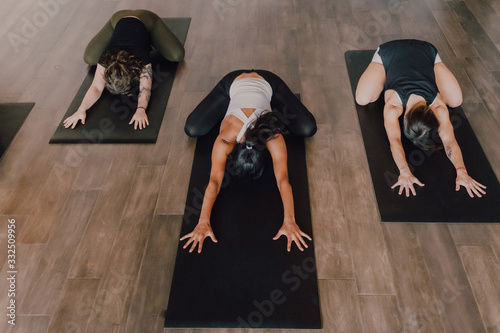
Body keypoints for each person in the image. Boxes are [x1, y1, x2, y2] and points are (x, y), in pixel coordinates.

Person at [181, 69, 317, 253]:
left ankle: (268, 98)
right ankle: (251, 100)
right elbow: (214, 181)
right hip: (231, 83)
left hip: (269, 82)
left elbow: (283, 180)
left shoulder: (273, 136)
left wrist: (290, 221)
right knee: (192, 128)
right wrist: (202, 221)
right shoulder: (225, 139)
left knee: (308, 128)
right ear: (234, 151)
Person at [355, 39, 486, 198]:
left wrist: (462, 172)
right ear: (403, 118)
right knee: (362, 99)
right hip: (390, 52)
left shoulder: (438, 108)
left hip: (426, 51)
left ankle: (432, 64)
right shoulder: (393, 106)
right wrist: (404, 171)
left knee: (456, 101)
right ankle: (384, 66)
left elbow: (450, 141)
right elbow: (394, 140)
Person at [63, 9, 185, 130]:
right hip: (119, 18)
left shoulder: (140, 56)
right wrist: (81, 109)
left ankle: (151, 37)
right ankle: (130, 33)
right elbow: (96, 87)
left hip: (145, 20)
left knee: (176, 55)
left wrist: (141, 109)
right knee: (89, 59)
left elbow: (145, 87)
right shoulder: (107, 57)